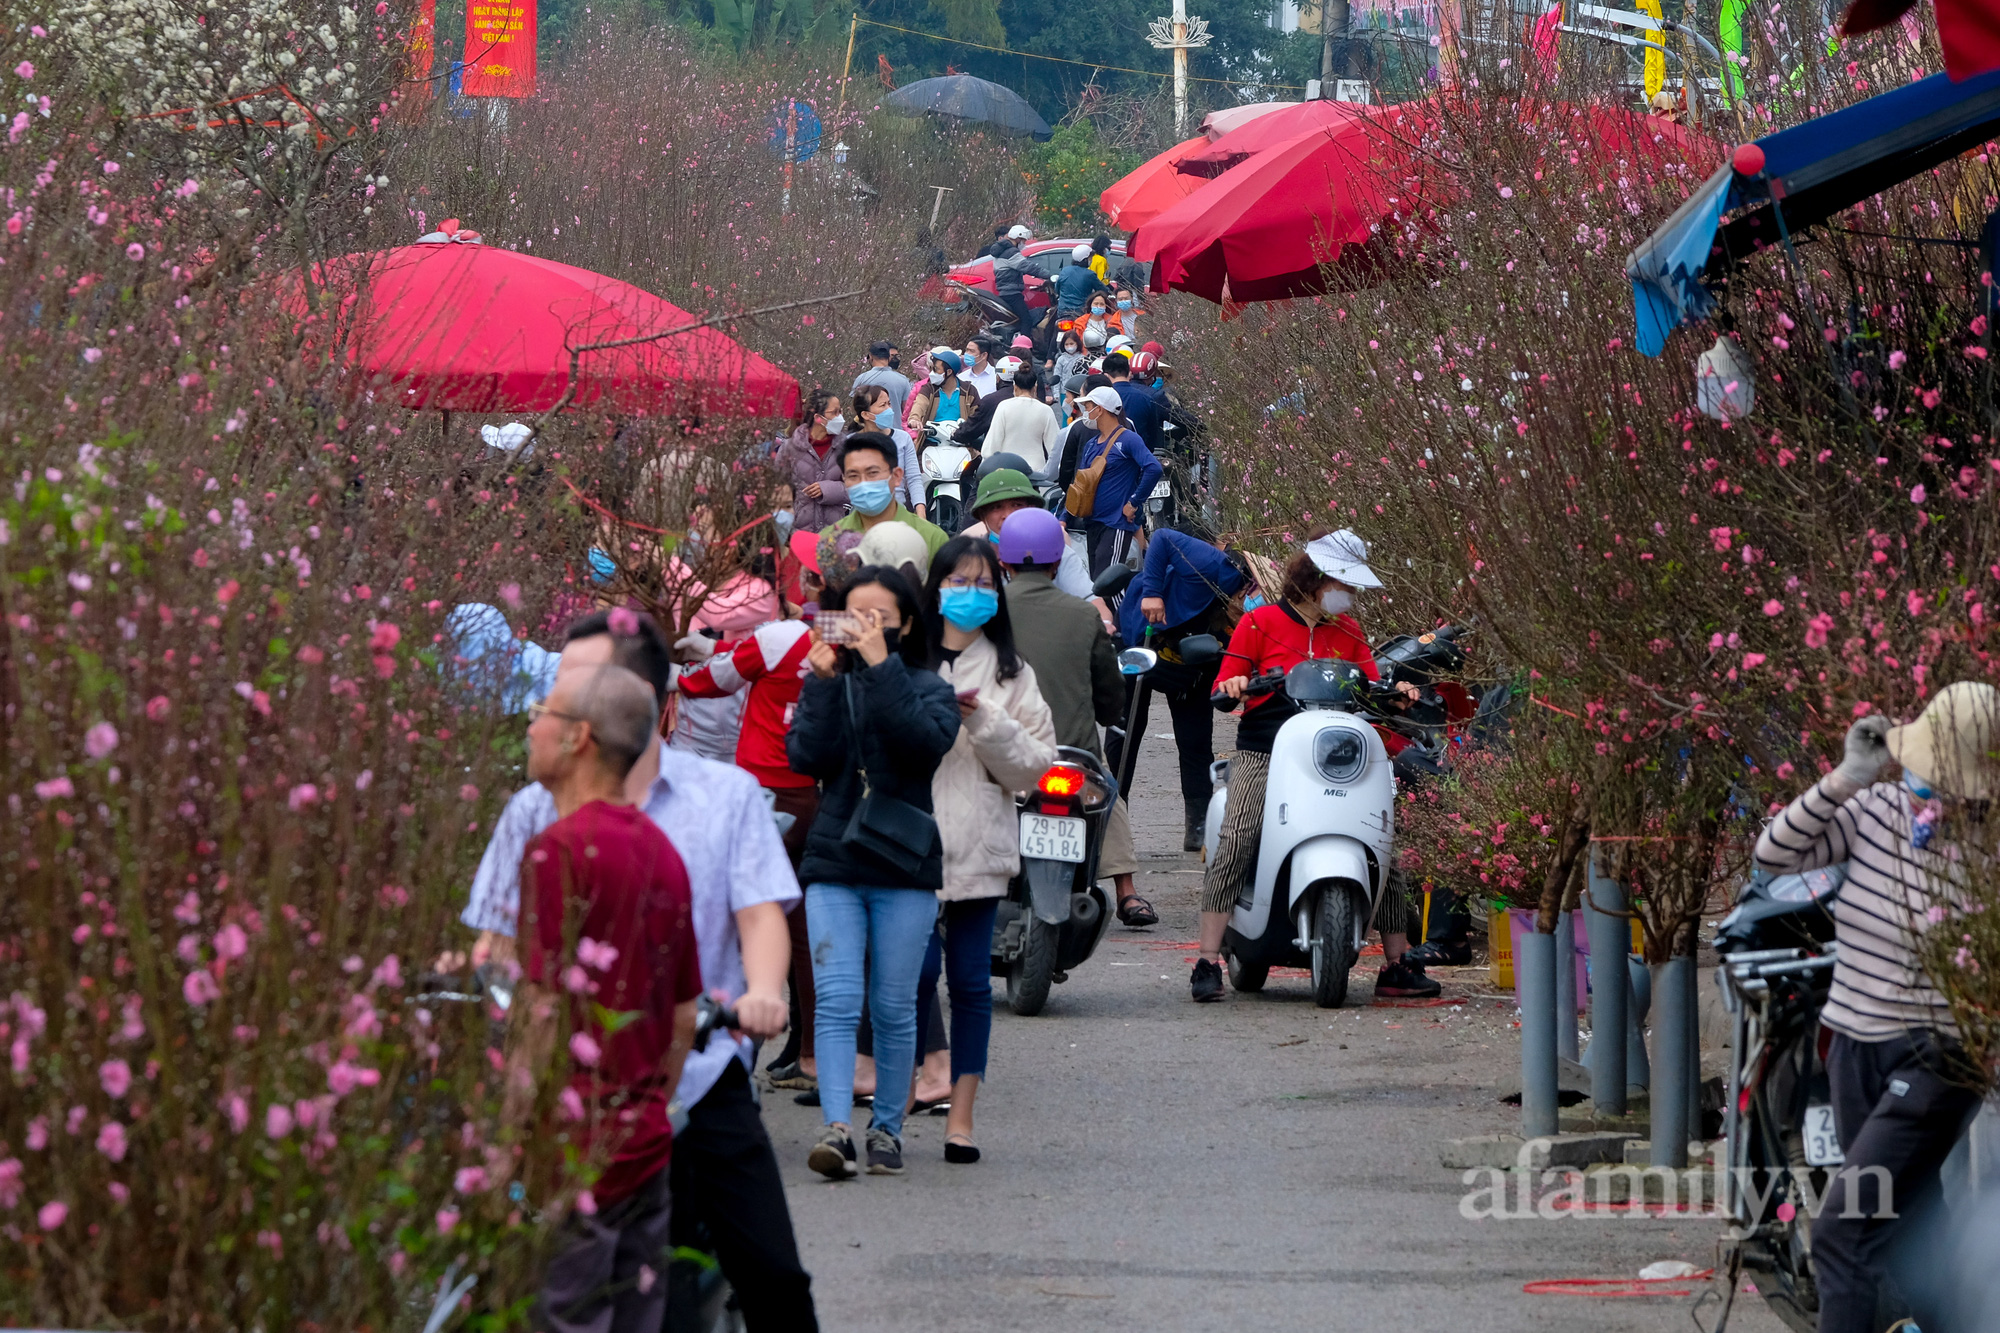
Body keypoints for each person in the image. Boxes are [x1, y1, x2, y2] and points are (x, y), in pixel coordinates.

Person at [462, 611, 817, 1327]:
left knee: (773, 1275)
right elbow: (497, 944)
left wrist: (764, 991)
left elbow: (758, 914)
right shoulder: (533, 812)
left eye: (572, 688)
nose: (549, 706)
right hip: (581, 1098)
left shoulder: (723, 797)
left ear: (633, 701)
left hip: (699, 1073)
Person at [1753, 684, 1991, 1333]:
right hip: (1854, 1041)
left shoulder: (1989, 848)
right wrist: (1844, 779)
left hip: (1940, 1056)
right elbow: (1775, 856)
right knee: (1911, 1224)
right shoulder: (1878, 808)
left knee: (1841, 1231)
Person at [506, 662, 701, 1333]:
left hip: (572, 1147)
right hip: (645, 1142)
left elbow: (540, 1009)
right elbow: (682, 1017)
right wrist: (648, 1100)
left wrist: (510, 1131)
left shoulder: (558, 851)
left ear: (577, 737)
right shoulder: (665, 854)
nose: (531, 725)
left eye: (543, 715)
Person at [1198, 530, 1433, 1003]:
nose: (1348, 596)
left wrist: (1399, 694)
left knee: (1381, 839)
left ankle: (1396, 962)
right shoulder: (1259, 623)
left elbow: (1371, 686)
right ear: (1316, 579)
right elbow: (1226, 682)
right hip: (1266, 749)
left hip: (1337, 754)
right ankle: (1206, 958)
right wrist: (1237, 683)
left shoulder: (1347, 632)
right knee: (1240, 833)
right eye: (1341, 584)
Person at [786, 565, 961, 1178]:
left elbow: (922, 746)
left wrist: (882, 666)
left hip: (902, 866)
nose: (864, 630)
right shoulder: (829, 681)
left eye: (879, 618)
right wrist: (824, 684)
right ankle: (836, 1127)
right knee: (835, 1000)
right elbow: (807, 757)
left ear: (907, 624)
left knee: (892, 1005)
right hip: (834, 860)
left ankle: (886, 1126)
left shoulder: (929, 687)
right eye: (854, 617)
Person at [916, 536, 1059, 1163]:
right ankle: (910, 1090)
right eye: (957, 581)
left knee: (971, 984)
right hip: (909, 848)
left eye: (982, 584)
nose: (970, 594)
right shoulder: (906, 658)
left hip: (978, 846)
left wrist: (986, 721)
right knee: (912, 978)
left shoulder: (1011, 672)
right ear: (935, 587)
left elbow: (1035, 768)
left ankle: (962, 1119)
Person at [675, 598, 818, 1090]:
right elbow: (748, 654)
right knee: (802, 923)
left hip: (766, 793)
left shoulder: (779, 637)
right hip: (814, 790)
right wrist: (717, 646)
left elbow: (718, 678)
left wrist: (674, 677)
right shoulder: (839, 637)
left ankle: (752, 1049)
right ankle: (807, 1049)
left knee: (756, 916)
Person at [996, 507, 1152, 926]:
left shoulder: (987, 612)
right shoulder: (1084, 614)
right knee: (1107, 790)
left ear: (1003, 561)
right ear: (1056, 562)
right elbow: (1108, 693)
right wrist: (1108, 713)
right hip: (1071, 753)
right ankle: (1127, 891)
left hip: (1003, 751)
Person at [1109, 525, 1249, 851]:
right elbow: (1161, 538)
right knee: (1125, 733)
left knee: (1196, 738)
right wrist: (1153, 593)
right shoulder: (1214, 565)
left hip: (1193, 656)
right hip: (1142, 637)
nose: (1246, 607)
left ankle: (1198, 826)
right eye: (1243, 601)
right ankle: (1112, 820)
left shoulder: (1246, 605)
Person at [815, 433, 949, 574]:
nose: (863, 483)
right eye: (853, 476)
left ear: (896, 476)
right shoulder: (829, 540)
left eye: (872, 473)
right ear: (844, 479)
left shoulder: (931, 537)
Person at [962, 467, 1093, 600]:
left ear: (1032, 509)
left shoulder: (1058, 551)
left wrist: (1104, 620)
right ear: (983, 517)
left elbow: (1091, 601)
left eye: (1016, 505)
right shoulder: (969, 559)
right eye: (996, 507)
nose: (1007, 515)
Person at [1074, 385, 1161, 578]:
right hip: (1092, 522)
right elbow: (1081, 482)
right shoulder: (1091, 444)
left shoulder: (1129, 439)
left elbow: (1153, 468)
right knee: (1097, 582)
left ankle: (1128, 609)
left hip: (1115, 523)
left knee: (1107, 585)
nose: (1086, 412)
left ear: (1100, 409)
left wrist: (1134, 503)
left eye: (1088, 407)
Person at [775, 389, 849, 532]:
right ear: (818, 418)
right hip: (798, 531)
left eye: (841, 411)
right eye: (835, 412)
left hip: (834, 532)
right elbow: (777, 489)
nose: (840, 417)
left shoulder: (846, 447)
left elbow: (858, 489)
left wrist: (828, 489)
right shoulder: (790, 447)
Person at [852, 384, 923, 518]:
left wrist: (920, 512)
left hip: (898, 514)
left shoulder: (903, 438)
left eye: (889, 404)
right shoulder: (851, 443)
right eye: (882, 405)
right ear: (866, 415)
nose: (889, 410)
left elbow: (914, 479)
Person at [980, 365, 1064, 473]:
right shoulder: (1045, 410)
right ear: (1035, 387)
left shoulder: (1004, 407)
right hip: (1036, 471)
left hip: (1006, 468)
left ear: (1014, 387)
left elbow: (991, 444)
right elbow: (1054, 447)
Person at [1104, 351, 1165, 457]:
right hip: (1138, 458)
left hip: (1107, 457)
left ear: (1105, 375)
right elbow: (1152, 436)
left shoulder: (1101, 398)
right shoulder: (1146, 399)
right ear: (1129, 373)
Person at [909, 349, 968, 436]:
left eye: (936, 369)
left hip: (961, 442)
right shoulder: (928, 389)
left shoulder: (968, 391)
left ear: (949, 372)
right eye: (932, 369)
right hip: (932, 441)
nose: (932, 373)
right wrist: (914, 419)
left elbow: (976, 416)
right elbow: (920, 404)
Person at [851, 342, 914, 420]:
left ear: (870, 356)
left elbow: (856, 407)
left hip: (869, 428)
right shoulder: (903, 380)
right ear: (889, 357)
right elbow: (907, 409)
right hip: (895, 429)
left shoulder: (862, 379)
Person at [989, 235, 1032, 338]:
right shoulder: (1012, 252)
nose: (1024, 243)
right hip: (1012, 293)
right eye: (1024, 240)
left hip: (1004, 291)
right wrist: (1048, 275)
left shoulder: (1001, 252)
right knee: (1027, 320)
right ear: (1018, 239)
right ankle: (1022, 346)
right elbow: (1029, 267)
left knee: (1017, 319)